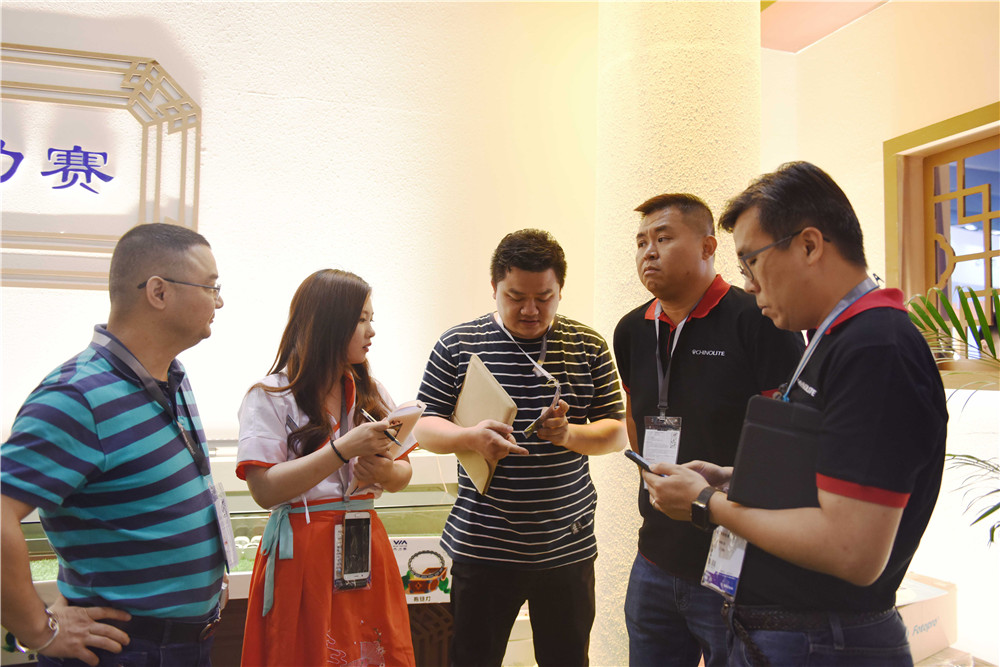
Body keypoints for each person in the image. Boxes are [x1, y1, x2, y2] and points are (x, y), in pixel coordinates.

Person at [646, 162, 947, 666]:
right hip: (793, 633)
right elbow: (829, 479)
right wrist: (731, 479)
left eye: (751, 262)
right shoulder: (835, 337)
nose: (748, 285)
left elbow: (852, 550)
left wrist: (707, 504)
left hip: (825, 639)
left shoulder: (876, 347)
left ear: (809, 246)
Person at [1, 223, 228, 667]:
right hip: (123, 648)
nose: (218, 302)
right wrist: (36, 630)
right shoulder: (78, 395)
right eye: (210, 287)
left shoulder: (172, 377)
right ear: (158, 292)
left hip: (185, 642)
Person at [413, 228, 628, 667]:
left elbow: (617, 431)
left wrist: (568, 435)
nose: (530, 310)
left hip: (566, 546)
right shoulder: (458, 344)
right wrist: (469, 438)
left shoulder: (587, 345)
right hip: (484, 546)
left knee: (567, 660)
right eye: (515, 297)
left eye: (544, 297)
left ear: (560, 290)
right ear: (494, 287)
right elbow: (424, 427)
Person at [614, 193, 803, 667]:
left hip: (736, 560)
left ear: (707, 247)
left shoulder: (759, 319)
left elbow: (788, 441)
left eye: (663, 238)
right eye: (641, 242)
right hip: (655, 556)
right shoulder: (631, 329)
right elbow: (635, 417)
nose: (648, 252)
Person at [236, 269, 415, 667]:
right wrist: (343, 449)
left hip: (365, 539)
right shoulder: (270, 395)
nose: (371, 331)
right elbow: (264, 490)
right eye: (362, 319)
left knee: (371, 651)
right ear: (328, 323)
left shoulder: (372, 390)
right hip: (303, 547)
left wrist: (382, 472)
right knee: (306, 653)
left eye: (371, 319)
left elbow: (404, 473)